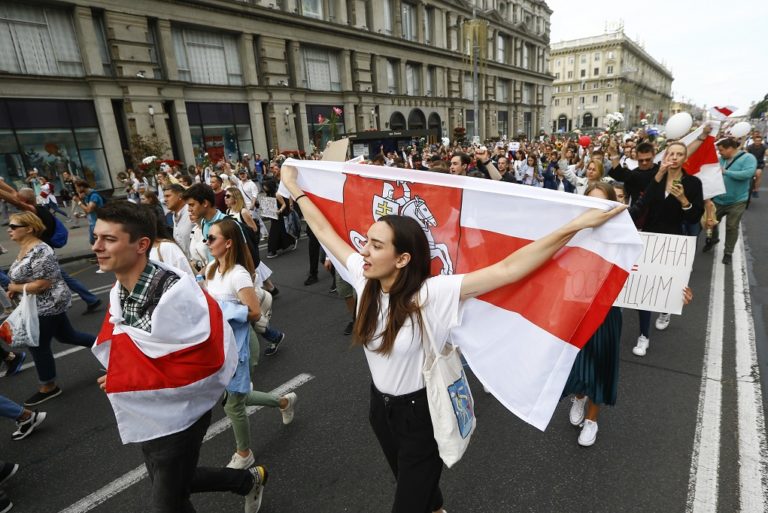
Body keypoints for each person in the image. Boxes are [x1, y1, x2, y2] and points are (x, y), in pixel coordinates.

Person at [279, 163, 624, 513]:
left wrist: (576, 225)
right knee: (411, 484)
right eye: (367, 242)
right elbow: (323, 230)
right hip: (380, 411)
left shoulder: (432, 294)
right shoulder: (364, 279)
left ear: (402, 259)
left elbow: (509, 270)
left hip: (420, 414)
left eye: (376, 245)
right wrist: (294, 186)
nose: (364, 250)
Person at [91, 201, 268, 513]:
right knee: (173, 483)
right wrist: (122, 372)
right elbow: (136, 346)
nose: (97, 247)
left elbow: (195, 359)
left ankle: (246, 480)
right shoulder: (119, 288)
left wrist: (127, 376)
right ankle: (246, 481)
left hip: (182, 413)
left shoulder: (174, 293)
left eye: (109, 239)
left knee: (166, 502)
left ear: (141, 244)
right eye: (96, 237)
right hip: (147, 409)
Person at [203, 218, 296, 469]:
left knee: (233, 403)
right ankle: (283, 402)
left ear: (228, 242)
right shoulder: (211, 269)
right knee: (238, 397)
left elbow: (254, 312)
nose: (206, 242)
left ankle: (244, 454)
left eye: (211, 238)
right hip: (219, 344)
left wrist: (223, 310)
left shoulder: (239, 274)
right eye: (207, 237)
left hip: (241, 344)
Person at [5, 211, 96, 406]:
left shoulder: (41, 250)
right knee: (67, 336)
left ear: (29, 228)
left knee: (38, 345)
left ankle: (49, 386)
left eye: (13, 226)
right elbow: (23, 275)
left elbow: (42, 285)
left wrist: (15, 287)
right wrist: (15, 289)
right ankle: (110, 346)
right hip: (36, 304)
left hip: (48, 304)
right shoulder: (24, 248)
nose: (8, 230)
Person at [630, 142, 704, 355]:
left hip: (674, 239)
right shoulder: (654, 177)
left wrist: (682, 199)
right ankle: (643, 335)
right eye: (671, 153)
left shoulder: (692, 183)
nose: (674, 157)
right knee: (645, 287)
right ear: (664, 156)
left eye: (679, 154)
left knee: (667, 284)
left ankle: (665, 310)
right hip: (650, 237)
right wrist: (659, 175)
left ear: (684, 158)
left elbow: (693, 218)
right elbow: (642, 204)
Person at [702, 137, 757, 265]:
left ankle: (728, 252)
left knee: (732, 226)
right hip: (719, 199)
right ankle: (713, 239)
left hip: (738, 200)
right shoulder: (720, 159)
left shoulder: (748, 158)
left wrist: (726, 172)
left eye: (721, 150)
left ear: (730, 148)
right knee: (710, 222)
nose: (719, 152)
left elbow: (748, 174)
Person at [163, 184, 193, 258]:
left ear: (180, 196)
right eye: (164, 196)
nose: (165, 200)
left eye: (168, 196)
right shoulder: (174, 215)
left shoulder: (191, 212)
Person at [74, 180, 104, 245]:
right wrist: (81, 215)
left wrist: (79, 202)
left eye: (76, 187)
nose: (76, 190)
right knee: (93, 242)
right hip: (92, 223)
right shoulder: (87, 196)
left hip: (97, 223)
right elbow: (88, 212)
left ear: (81, 187)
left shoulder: (94, 196)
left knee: (98, 243)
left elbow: (89, 210)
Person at [747, 132, 765, 198]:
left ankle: (756, 191)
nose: (758, 142)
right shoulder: (750, 147)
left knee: (758, 174)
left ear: (761, 141)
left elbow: (766, 152)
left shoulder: (764, 146)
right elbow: (746, 153)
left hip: (759, 164)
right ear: (754, 141)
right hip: (750, 163)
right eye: (756, 141)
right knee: (746, 175)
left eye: (759, 141)